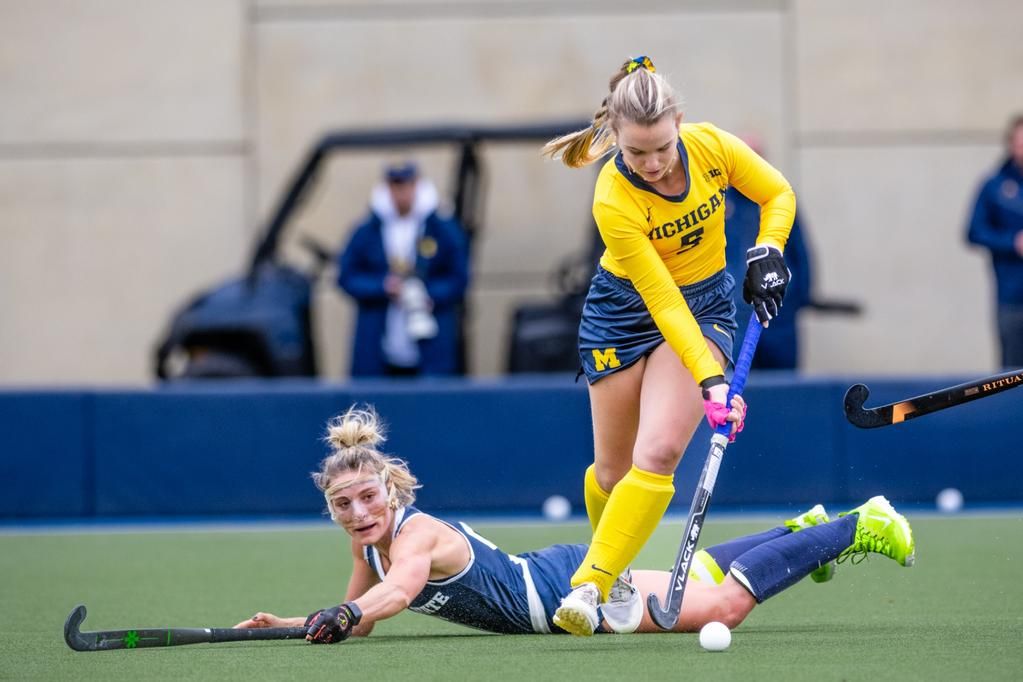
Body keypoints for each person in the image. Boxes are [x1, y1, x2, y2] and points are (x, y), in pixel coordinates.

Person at [234, 407, 915, 642]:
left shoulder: (411, 537)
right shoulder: (372, 548)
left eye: (365, 498)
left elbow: (395, 597)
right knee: (699, 577)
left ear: (388, 488)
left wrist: (346, 616)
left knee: (724, 608)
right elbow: (364, 610)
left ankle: (858, 526)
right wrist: (294, 625)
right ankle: (804, 532)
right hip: (556, 576)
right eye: (343, 506)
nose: (358, 514)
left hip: (562, 595)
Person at [538, 55, 796, 636]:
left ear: (679, 121)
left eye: (662, 147)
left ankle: (590, 582)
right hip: (624, 313)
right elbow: (661, 303)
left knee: (656, 455)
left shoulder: (711, 147)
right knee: (611, 472)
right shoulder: (612, 197)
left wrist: (769, 249)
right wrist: (712, 381)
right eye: (636, 153)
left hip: (705, 305)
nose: (653, 164)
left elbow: (777, 194)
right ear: (616, 139)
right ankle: (621, 572)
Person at [337, 161, 470, 377]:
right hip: (380, 339)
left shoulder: (441, 228)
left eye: (407, 185)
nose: (401, 193)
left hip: (429, 340)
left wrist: (427, 293)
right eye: (395, 186)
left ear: (417, 185)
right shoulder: (368, 230)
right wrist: (383, 286)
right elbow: (347, 275)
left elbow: (459, 277)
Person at [724, 135, 814, 370]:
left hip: (779, 318)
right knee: (737, 387)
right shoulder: (721, 203)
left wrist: (796, 299)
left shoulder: (779, 198)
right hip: (735, 318)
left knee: (783, 387)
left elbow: (801, 254)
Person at [966, 114, 1023, 367]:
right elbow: (974, 231)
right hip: (1011, 295)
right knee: (1010, 372)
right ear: (1010, 144)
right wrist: (1013, 242)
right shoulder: (994, 186)